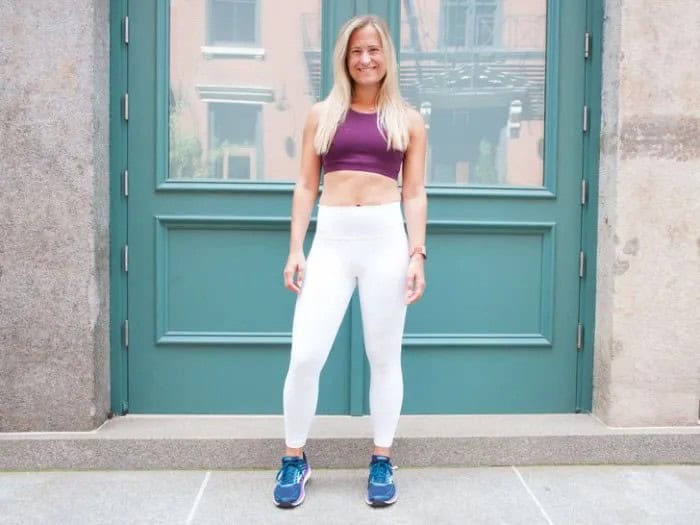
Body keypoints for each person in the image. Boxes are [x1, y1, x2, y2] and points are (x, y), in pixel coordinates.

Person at [273, 14, 427, 509]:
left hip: (386, 240)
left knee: (384, 358)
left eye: (374, 50)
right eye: (357, 51)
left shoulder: (407, 119)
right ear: (345, 57)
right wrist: (296, 248)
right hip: (333, 241)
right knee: (305, 356)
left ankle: (382, 459)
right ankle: (294, 458)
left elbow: (416, 193)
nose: (365, 59)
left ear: (387, 58)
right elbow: (304, 186)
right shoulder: (323, 114)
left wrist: (417, 253)